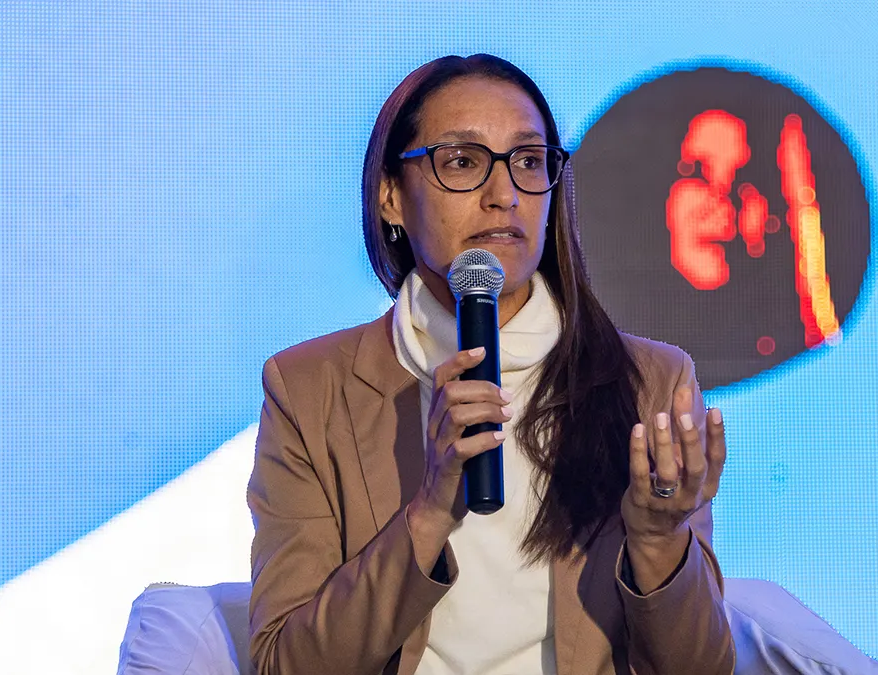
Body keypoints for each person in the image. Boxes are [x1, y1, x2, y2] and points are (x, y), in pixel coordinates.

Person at [247, 54, 735, 675]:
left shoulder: (651, 382)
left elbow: (703, 668)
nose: (504, 195)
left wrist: (659, 541)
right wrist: (428, 512)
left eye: (528, 161)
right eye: (462, 162)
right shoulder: (310, 389)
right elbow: (284, 665)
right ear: (391, 197)